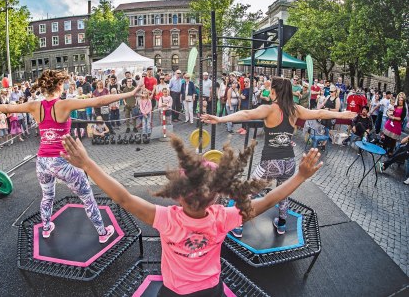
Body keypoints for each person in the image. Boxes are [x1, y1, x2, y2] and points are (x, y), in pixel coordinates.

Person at [60, 134, 324, 296]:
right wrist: (300, 175)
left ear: (177, 193)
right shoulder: (224, 217)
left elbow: (123, 197)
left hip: (174, 292)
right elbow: (269, 200)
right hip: (211, 291)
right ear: (218, 194)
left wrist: (87, 164)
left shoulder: (165, 218)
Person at [0, 69, 142, 243]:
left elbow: (7, 108)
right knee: (87, 196)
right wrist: (131, 93)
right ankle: (103, 233)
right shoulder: (64, 104)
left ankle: (46, 227)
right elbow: (99, 100)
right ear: (59, 85)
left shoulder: (34, 105)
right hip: (60, 162)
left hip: (42, 162)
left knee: (47, 196)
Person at [202, 77, 356, 236]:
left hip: (270, 163)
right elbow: (319, 112)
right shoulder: (295, 109)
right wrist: (344, 115)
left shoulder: (269, 109)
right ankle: (281, 223)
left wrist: (220, 118)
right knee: (283, 192)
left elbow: (247, 114)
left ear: (274, 92)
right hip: (289, 162)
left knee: (247, 192)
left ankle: (239, 225)